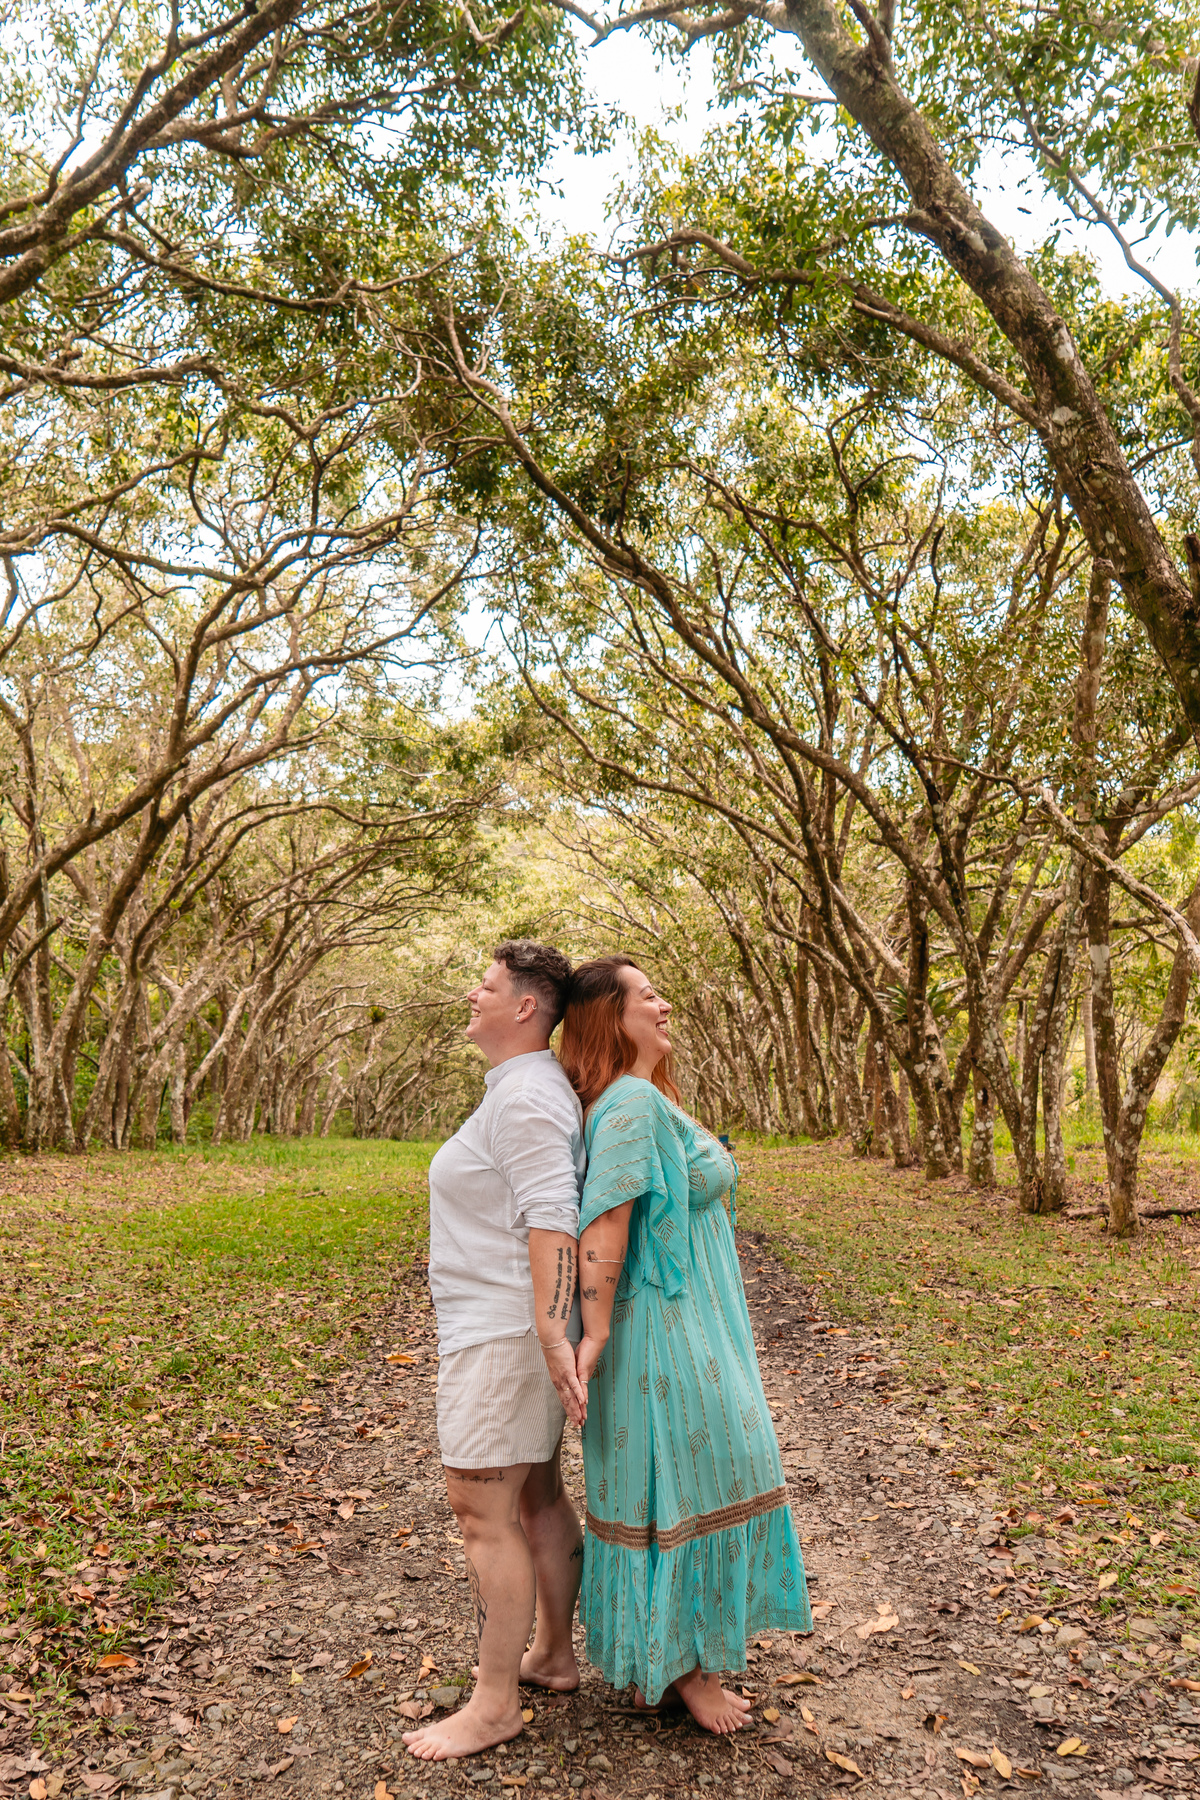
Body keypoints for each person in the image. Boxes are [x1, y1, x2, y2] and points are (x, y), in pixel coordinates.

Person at [558, 955, 811, 1735]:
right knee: (693, 1476)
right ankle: (687, 1670)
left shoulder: (641, 1096)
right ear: (610, 1016)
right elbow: (606, 1223)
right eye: (647, 996)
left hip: (686, 1319)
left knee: (683, 1477)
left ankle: (661, 1662)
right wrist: (597, 1331)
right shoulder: (630, 1102)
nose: (664, 1005)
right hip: (662, 1331)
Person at [403, 940, 587, 1764]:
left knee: (482, 1513)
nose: (471, 997)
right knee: (535, 1497)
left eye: (485, 986)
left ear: (525, 1006)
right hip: (508, 1328)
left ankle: (494, 1704)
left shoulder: (528, 1098)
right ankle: (550, 1656)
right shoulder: (520, 1088)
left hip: (504, 1334)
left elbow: (553, 1217)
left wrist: (549, 1335)